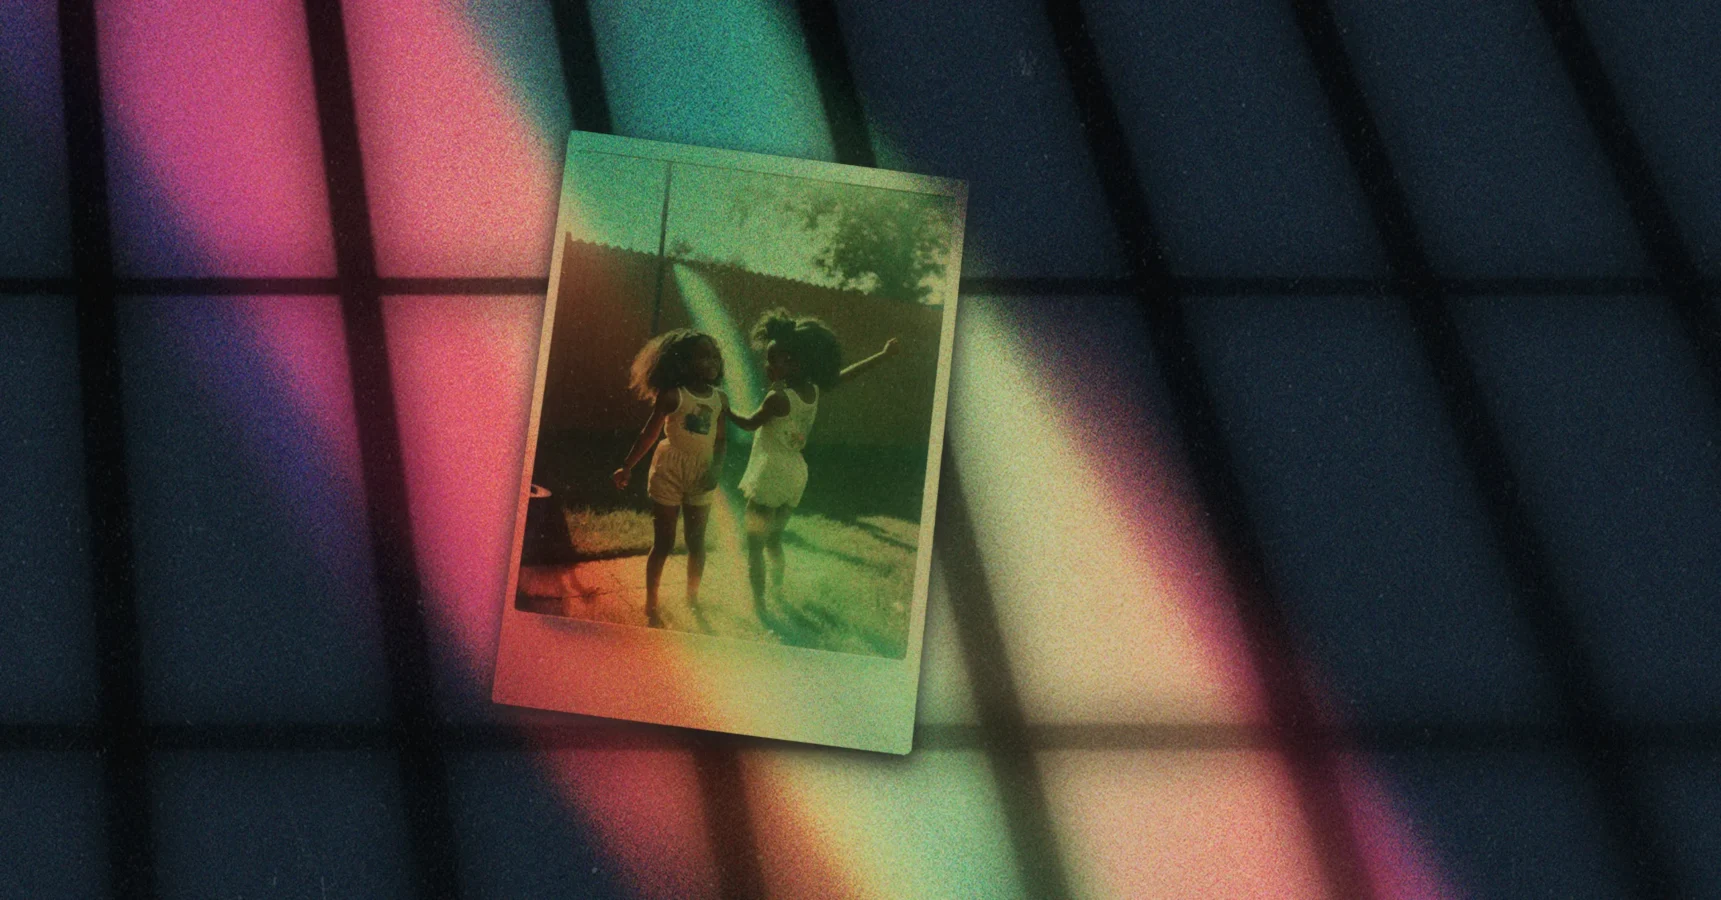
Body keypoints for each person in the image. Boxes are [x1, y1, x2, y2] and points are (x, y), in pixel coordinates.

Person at [728, 308, 897, 612]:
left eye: (773, 358)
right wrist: (882, 355)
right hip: (795, 473)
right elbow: (847, 375)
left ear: (793, 362)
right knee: (774, 541)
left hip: (770, 473)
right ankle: (777, 588)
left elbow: (750, 424)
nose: (767, 364)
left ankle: (759, 605)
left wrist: (725, 409)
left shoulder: (777, 398)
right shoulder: (813, 391)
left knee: (754, 543)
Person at [612, 329, 726, 627]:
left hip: (702, 472)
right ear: (684, 362)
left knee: (696, 540)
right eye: (703, 356)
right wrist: (628, 465)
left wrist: (716, 470)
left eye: (715, 356)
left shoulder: (720, 399)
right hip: (669, 470)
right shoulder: (674, 395)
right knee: (664, 540)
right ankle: (652, 599)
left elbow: (721, 440)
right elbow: (649, 434)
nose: (712, 361)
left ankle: (692, 596)